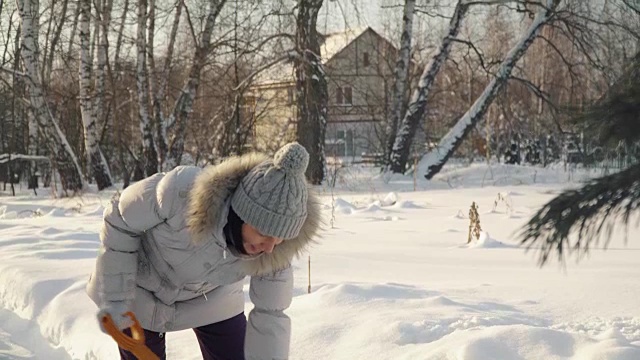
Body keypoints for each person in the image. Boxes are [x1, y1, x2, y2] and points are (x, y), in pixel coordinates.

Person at [86, 142, 321, 360]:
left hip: (212, 294)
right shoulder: (181, 192)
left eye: (278, 239)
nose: (269, 247)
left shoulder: (274, 251)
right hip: (138, 286)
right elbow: (119, 220)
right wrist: (117, 298)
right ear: (241, 214)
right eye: (263, 233)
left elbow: (271, 314)